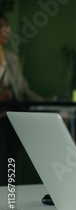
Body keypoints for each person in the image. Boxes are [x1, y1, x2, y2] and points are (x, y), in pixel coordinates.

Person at [0, 11, 44, 186]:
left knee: (10, 164)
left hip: (12, 119)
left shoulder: (12, 59)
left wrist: (45, 103)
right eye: (2, 26)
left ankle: (8, 198)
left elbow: (24, 91)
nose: (7, 30)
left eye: (7, 25)